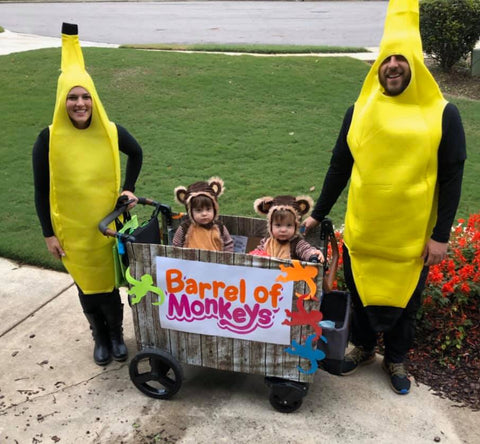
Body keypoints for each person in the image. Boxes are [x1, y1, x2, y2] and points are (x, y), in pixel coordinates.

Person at [302, 0, 466, 395]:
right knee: (362, 295)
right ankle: (362, 347)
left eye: (401, 58)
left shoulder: (443, 114)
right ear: (378, 66)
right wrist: (316, 214)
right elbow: (339, 167)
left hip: (410, 238)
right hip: (366, 231)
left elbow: (452, 177)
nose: (393, 65)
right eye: (386, 58)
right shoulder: (358, 111)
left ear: (416, 65)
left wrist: (441, 235)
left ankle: (396, 358)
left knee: (405, 303)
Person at [32, 23, 143, 366]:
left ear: (93, 100)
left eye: (85, 97)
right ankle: (98, 334)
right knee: (86, 287)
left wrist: (129, 188)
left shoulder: (111, 133)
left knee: (109, 286)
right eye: (72, 97)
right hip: (72, 231)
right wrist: (49, 234)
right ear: (62, 101)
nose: (79, 104)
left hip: (108, 226)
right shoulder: (48, 140)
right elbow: (40, 190)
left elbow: (136, 153)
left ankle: (115, 335)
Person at [252, 195, 324, 262]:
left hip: (290, 274)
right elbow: (258, 253)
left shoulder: (297, 243)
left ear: (296, 226)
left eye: (289, 225)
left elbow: (305, 250)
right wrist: (253, 256)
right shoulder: (267, 241)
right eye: (278, 225)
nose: (283, 230)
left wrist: (313, 254)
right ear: (271, 226)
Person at [172, 177, 234, 252]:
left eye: (208, 209)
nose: (204, 214)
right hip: (191, 262)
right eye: (199, 210)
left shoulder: (219, 227)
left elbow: (228, 244)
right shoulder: (185, 228)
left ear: (214, 209)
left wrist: (226, 258)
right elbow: (176, 245)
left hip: (216, 262)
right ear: (190, 212)